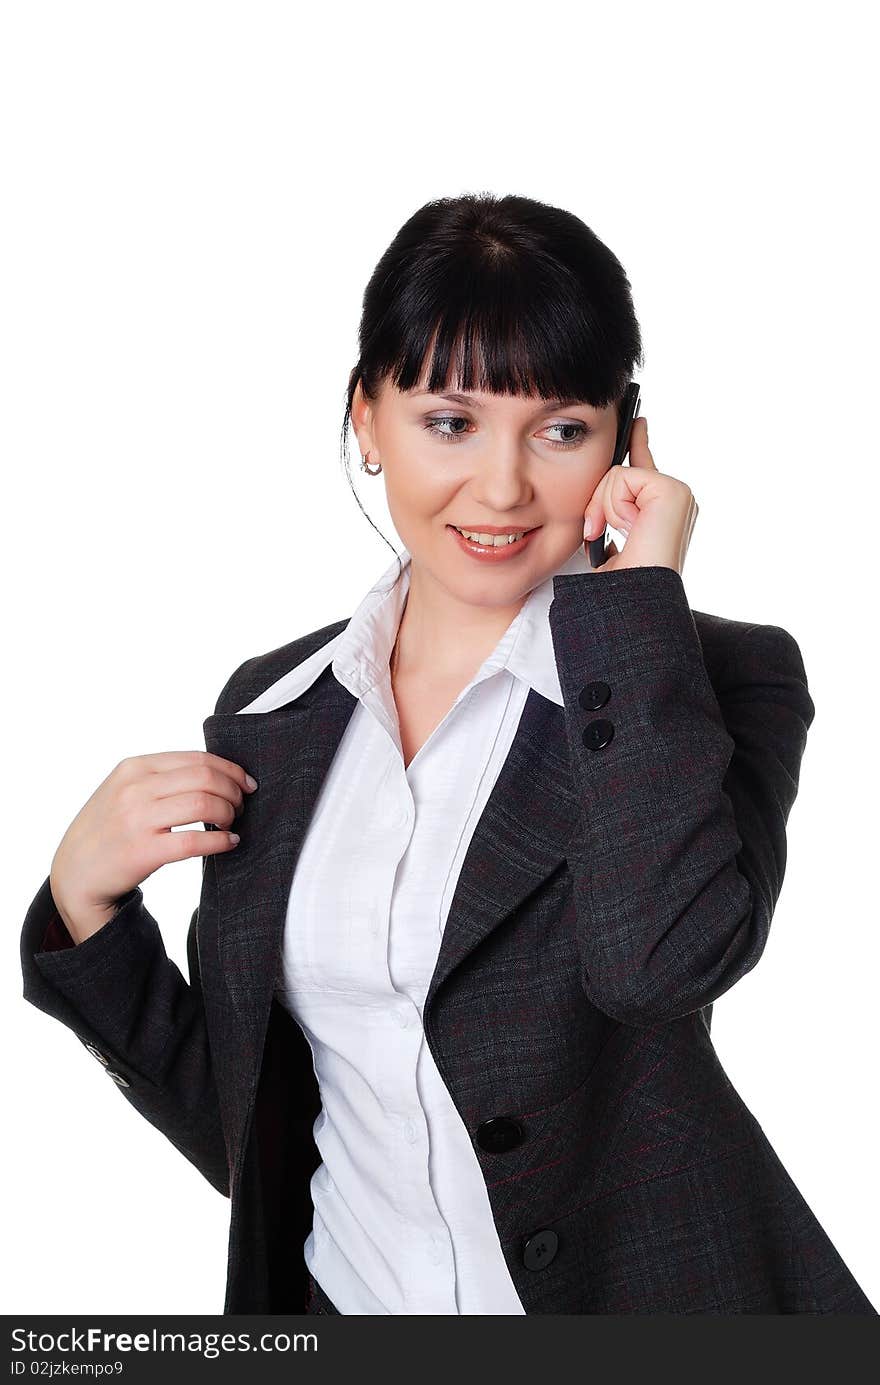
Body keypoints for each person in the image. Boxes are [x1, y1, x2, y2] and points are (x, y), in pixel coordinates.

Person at [20, 192, 877, 1315]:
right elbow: (274, 1146)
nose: (505, 486)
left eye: (561, 429)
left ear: (628, 441)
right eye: (448, 421)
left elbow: (656, 963)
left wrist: (638, 602)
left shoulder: (714, 678)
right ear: (367, 419)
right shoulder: (277, 709)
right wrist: (86, 908)